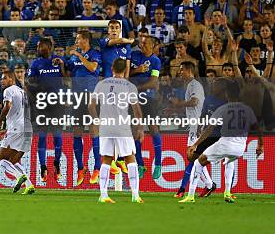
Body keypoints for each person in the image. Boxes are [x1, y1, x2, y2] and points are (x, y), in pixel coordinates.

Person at [180, 78, 264, 204]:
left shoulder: (223, 108)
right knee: (230, 162)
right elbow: (258, 128)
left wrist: (195, 144)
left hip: (226, 143)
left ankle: (190, 196)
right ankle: (227, 193)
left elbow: (209, 129)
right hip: (240, 148)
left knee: (198, 162)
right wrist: (260, 145)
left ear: (227, 94)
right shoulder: (248, 109)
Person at [88, 58, 144, 203]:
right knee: (130, 158)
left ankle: (104, 195)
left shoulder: (101, 84)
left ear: (112, 67)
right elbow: (137, 110)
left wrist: (96, 120)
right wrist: (140, 128)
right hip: (122, 127)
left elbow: (91, 105)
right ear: (125, 69)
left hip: (106, 127)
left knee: (106, 159)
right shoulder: (129, 86)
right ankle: (135, 195)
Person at [61, 31, 101, 186]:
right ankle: (80, 168)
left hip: (91, 96)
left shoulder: (94, 54)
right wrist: (62, 64)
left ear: (85, 40)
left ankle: (97, 167)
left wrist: (78, 55)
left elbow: (92, 68)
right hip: (77, 97)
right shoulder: (73, 57)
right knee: (76, 132)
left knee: (93, 130)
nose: (76, 41)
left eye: (78, 39)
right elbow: (68, 74)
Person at [169, 61, 215, 198]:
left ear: (189, 70)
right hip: (194, 125)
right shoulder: (190, 85)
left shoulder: (195, 85)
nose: (179, 72)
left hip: (197, 125)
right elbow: (192, 106)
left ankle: (201, 185)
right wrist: (175, 108)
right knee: (195, 157)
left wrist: (178, 103)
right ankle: (209, 184)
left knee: (193, 156)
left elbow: (194, 102)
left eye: (181, 69)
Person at [27, 37, 64, 181]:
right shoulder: (36, 63)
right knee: (42, 137)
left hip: (57, 104)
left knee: (57, 136)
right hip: (42, 105)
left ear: (48, 47)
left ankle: (56, 163)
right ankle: (43, 167)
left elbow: (68, 77)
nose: (37, 49)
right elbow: (29, 82)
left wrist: (61, 65)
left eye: (40, 46)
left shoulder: (58, 60)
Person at [0, 69, 35, 195]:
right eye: (1, 78)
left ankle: (19, 177)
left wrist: (0, 122)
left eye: (4, 78)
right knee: (14, 161)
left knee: (2, 160)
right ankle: (29, 185)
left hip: (17, 128)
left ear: (11, 79)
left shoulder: (9, 90)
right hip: (28, 128)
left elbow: (7, 106)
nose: (2, 80)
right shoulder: (22, 92)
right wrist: (8, 128)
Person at [130, 35, 163, 179]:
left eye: (145, 44)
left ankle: (158, 165)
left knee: (153, 129)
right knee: (135, 132)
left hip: (148, 99)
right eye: (141, 43)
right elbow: (127, 73)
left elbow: (153, 83)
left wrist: (137, 88)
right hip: (133, 99)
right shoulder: (133, 55)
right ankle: (140, 163)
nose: (141, 46)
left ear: (152, 45)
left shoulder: (155, 61)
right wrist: (137, 70)